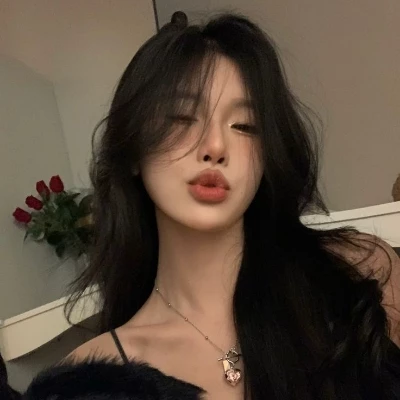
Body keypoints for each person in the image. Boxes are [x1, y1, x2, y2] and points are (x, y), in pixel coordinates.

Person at [25, 13, 400, 400]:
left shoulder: (357, 278)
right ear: (134, 147)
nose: (216, 147)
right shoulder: (89, 382)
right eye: (182, 117)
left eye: (245, 125)